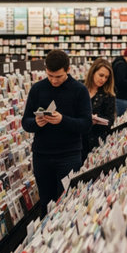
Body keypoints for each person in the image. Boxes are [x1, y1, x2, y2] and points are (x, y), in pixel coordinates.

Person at [22, 50, 92, 217]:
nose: (53, 80)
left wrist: (63, 120)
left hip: (69, 155)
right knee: (45, 203)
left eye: (58, 76)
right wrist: (36, 123)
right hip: (42, 155)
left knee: (67, 201)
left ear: (68, 70)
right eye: (50, 75)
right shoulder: (37, 89)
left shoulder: (80, 90)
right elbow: (26, 122)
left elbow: (86, 124)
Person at [83, 58, 116, 160]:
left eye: (106, 77)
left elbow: (110, 121)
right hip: (78, 140)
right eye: (101, 75)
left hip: (95, 141)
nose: (103, 79)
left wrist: (97, 120)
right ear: (93, 72)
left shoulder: (108, 95)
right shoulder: (80, 89)